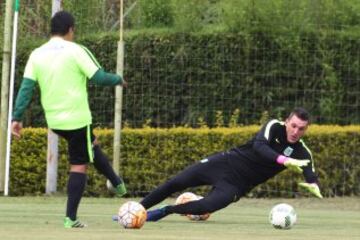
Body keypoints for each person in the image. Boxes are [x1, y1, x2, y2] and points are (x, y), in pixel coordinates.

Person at [11, 11, 127, 228]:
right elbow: (98, 77)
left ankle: (118, 183)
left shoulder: (37, 54)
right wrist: (118, 79)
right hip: (77, 119)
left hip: (54, 122)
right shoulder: (76, 50)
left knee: (91, 144)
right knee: (79, 164)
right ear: (71, 29)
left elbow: (26, 88)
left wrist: (16, 118)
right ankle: (71, 218)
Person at [141, 107, 323, 222]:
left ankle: (165, 211)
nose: (295, 131)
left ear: (306, 129)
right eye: (293, 125)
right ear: (287, 122)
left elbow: (309, 171)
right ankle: (138, 210)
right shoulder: (274, 126)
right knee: (176, 182)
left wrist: (313, 184)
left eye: (301, 128)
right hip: (225, 162)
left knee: (208, 206)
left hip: (238, 184)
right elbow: (260, 146)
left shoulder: (302, 151)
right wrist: (284, 160)